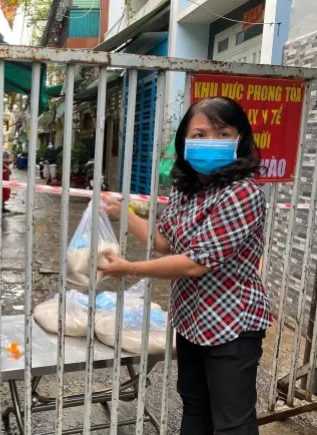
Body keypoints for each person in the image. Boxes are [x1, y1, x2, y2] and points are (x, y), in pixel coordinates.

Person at [99, 96, 271, 435]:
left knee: (232, 422)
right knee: (194, 405)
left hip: (232, 324)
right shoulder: (185, 190)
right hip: (192, 319)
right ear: (184, 141)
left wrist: (129, 268)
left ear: (240, 139)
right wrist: (124, 213)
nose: (211, 142)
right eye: (200, 133)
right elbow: (165, 243)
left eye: (223, 134)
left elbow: (195, 264)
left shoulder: (242, 193)